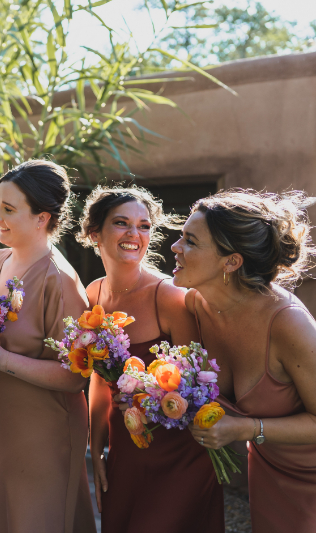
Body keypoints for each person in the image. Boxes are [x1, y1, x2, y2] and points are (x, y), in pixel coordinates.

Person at [0, 160, 96, 533]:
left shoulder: (60, 281)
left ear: (41, 218)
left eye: (8, 208)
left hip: (41, 437)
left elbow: (74, 376)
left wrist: (2, 358)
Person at [79, 186, 223, 532]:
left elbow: (199, 383)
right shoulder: (93, 293)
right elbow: (99, 380)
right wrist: (98, 451)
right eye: (122, 223)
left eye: (144, 226)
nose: (134, 235)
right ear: (94, 232)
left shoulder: (169, 297)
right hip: (125, 451)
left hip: (178, 454)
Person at [173, 189, 316, 533]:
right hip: (268, 473)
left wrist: (246, 429)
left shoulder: (288, 324)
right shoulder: (195, 304)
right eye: (181, 236)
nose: (176, 247)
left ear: (231, 261)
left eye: (190, 241)